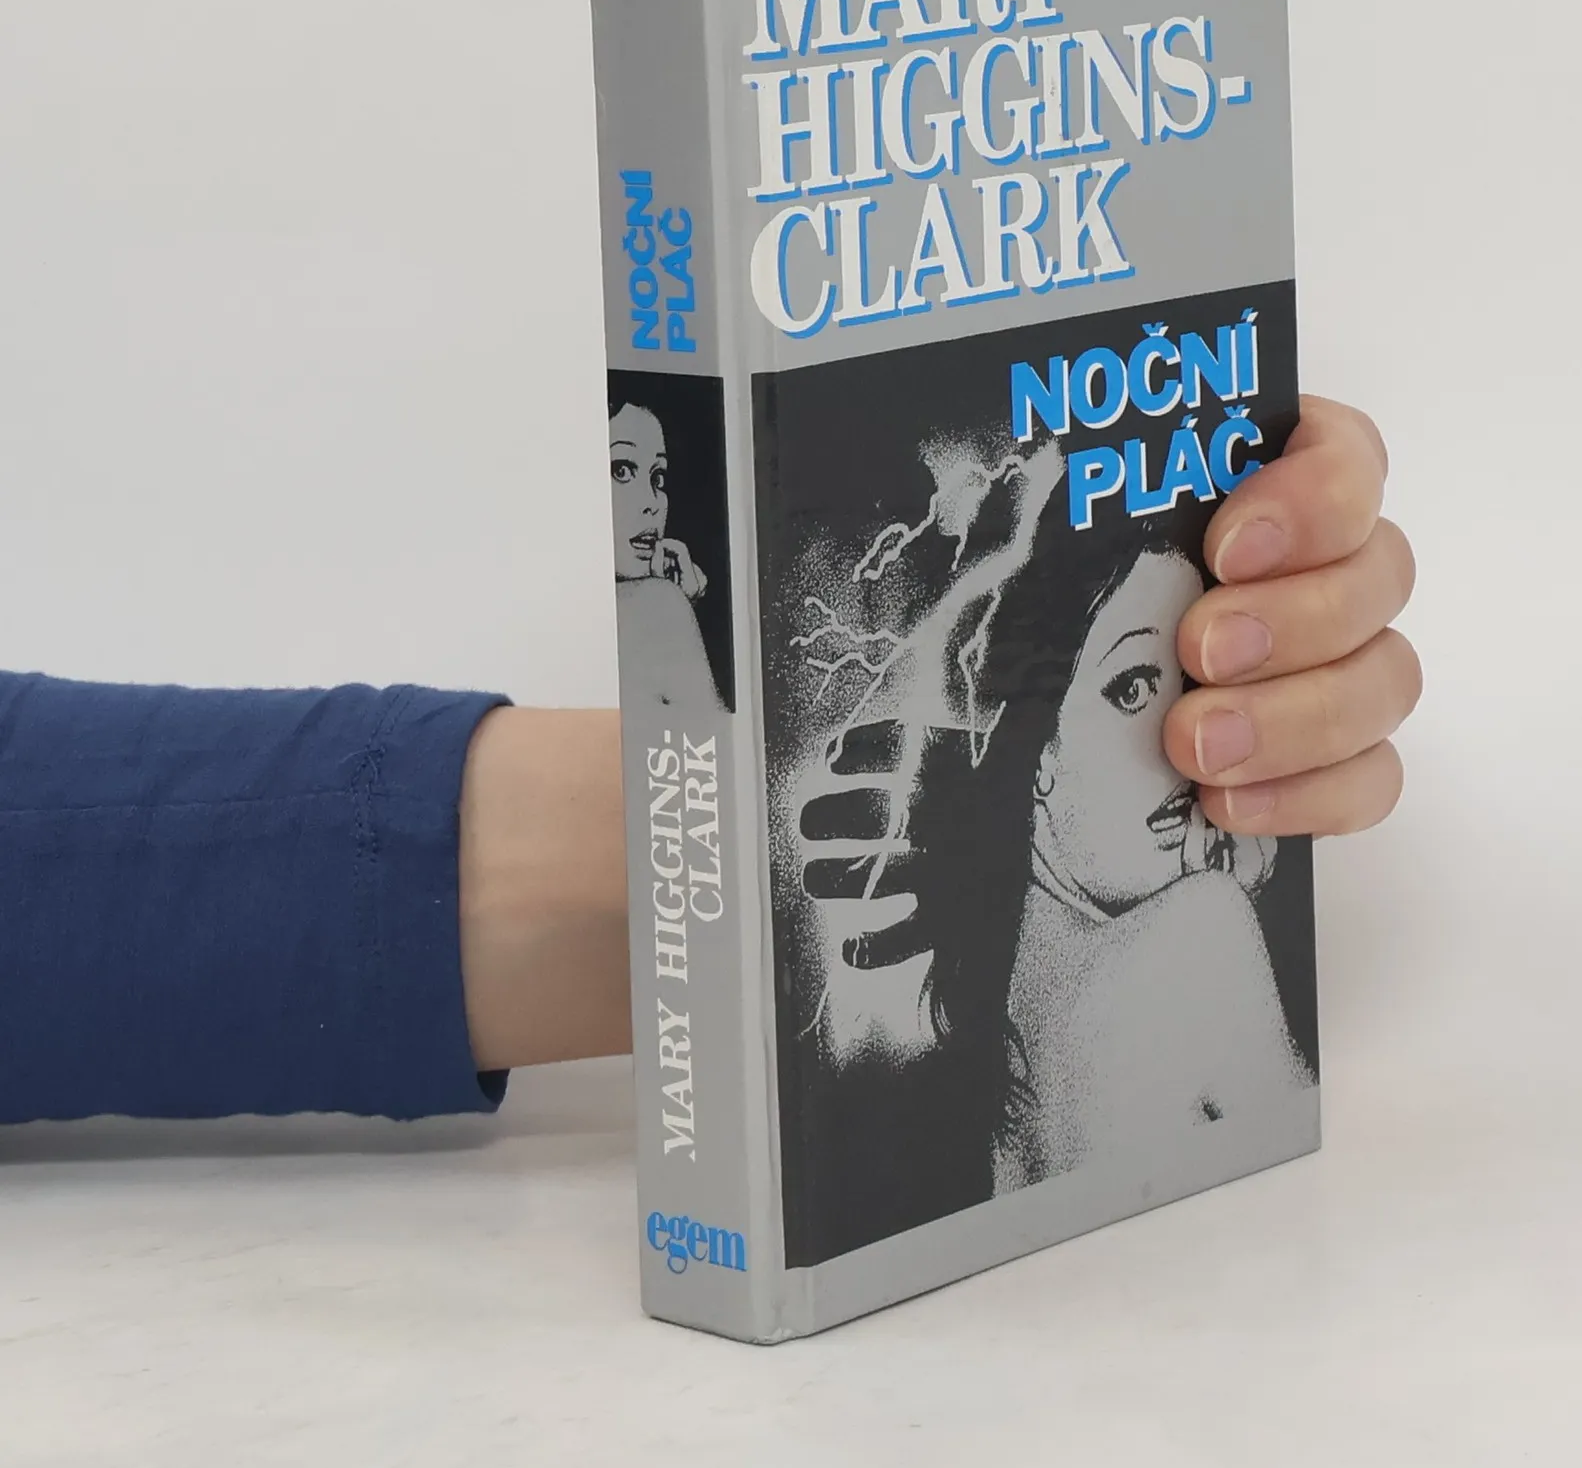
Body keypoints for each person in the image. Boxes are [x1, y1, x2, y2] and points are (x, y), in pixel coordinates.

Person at [0, 397, 1419, 1128]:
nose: (1173, 740)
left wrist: (728, 845)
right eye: (1124, 685)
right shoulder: (1182, 951)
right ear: (1018, 738)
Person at [609, 394, 722, 713]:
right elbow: (721, 738)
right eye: (621, 470)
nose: (652, 502)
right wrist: (677, 608)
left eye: (657, 478)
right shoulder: (659, 605)